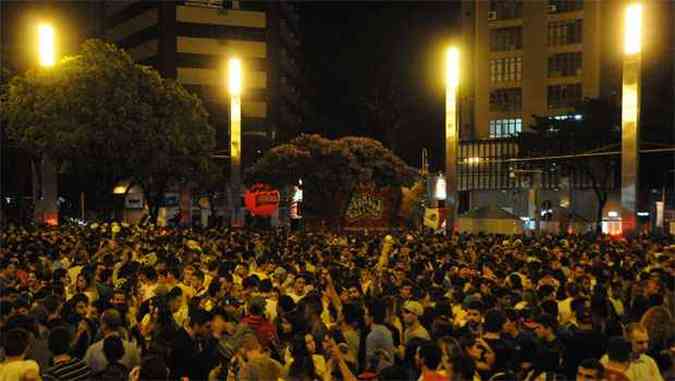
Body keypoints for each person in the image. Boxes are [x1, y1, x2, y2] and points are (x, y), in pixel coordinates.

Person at [84, 308, 141, 373]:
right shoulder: (132, 349)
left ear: (103, 325)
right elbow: (137, 371)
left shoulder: (93, 350)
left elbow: (85, 372)